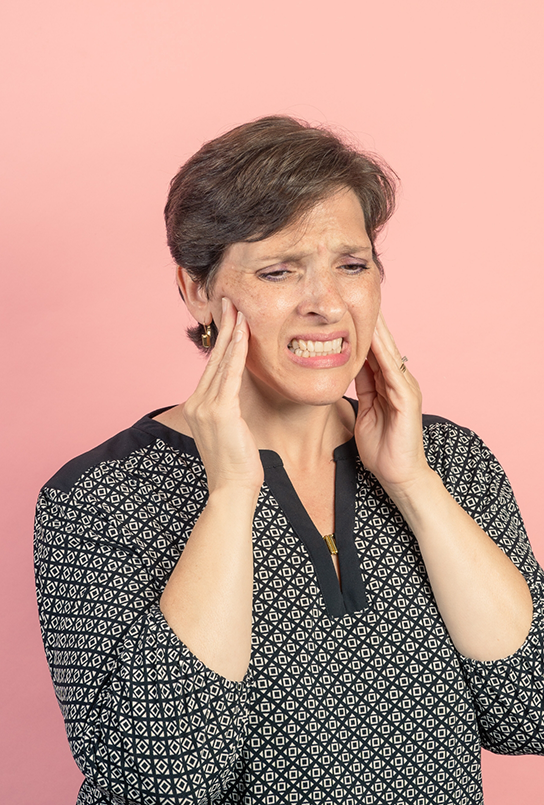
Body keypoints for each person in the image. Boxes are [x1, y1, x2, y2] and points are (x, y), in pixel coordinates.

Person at [34, 116, 544, 805]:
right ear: (194, 289)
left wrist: (414, 483)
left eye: (351, 265)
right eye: (279, 271)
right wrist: (231, 497)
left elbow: (530, 712)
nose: (326, 304)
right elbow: (160, 781)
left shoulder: (451, 460)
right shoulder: (97, 500)